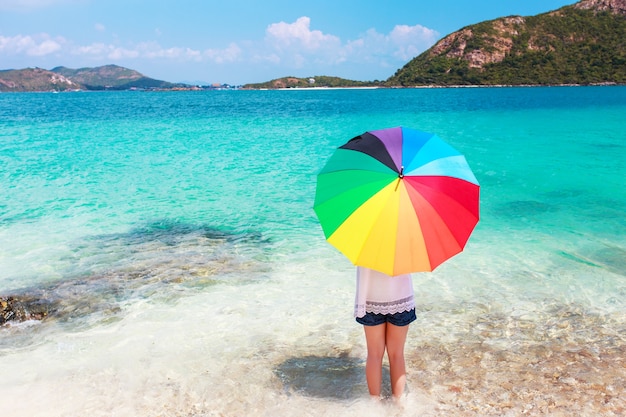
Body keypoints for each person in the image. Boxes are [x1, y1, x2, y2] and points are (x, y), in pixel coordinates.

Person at [354, 266, 416, 401]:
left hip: (371, 300)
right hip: (401, 299)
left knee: (374, 354)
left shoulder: (365, 245)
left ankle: (374, 404)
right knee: (397, 354)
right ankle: (398, 403)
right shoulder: (405, 244)